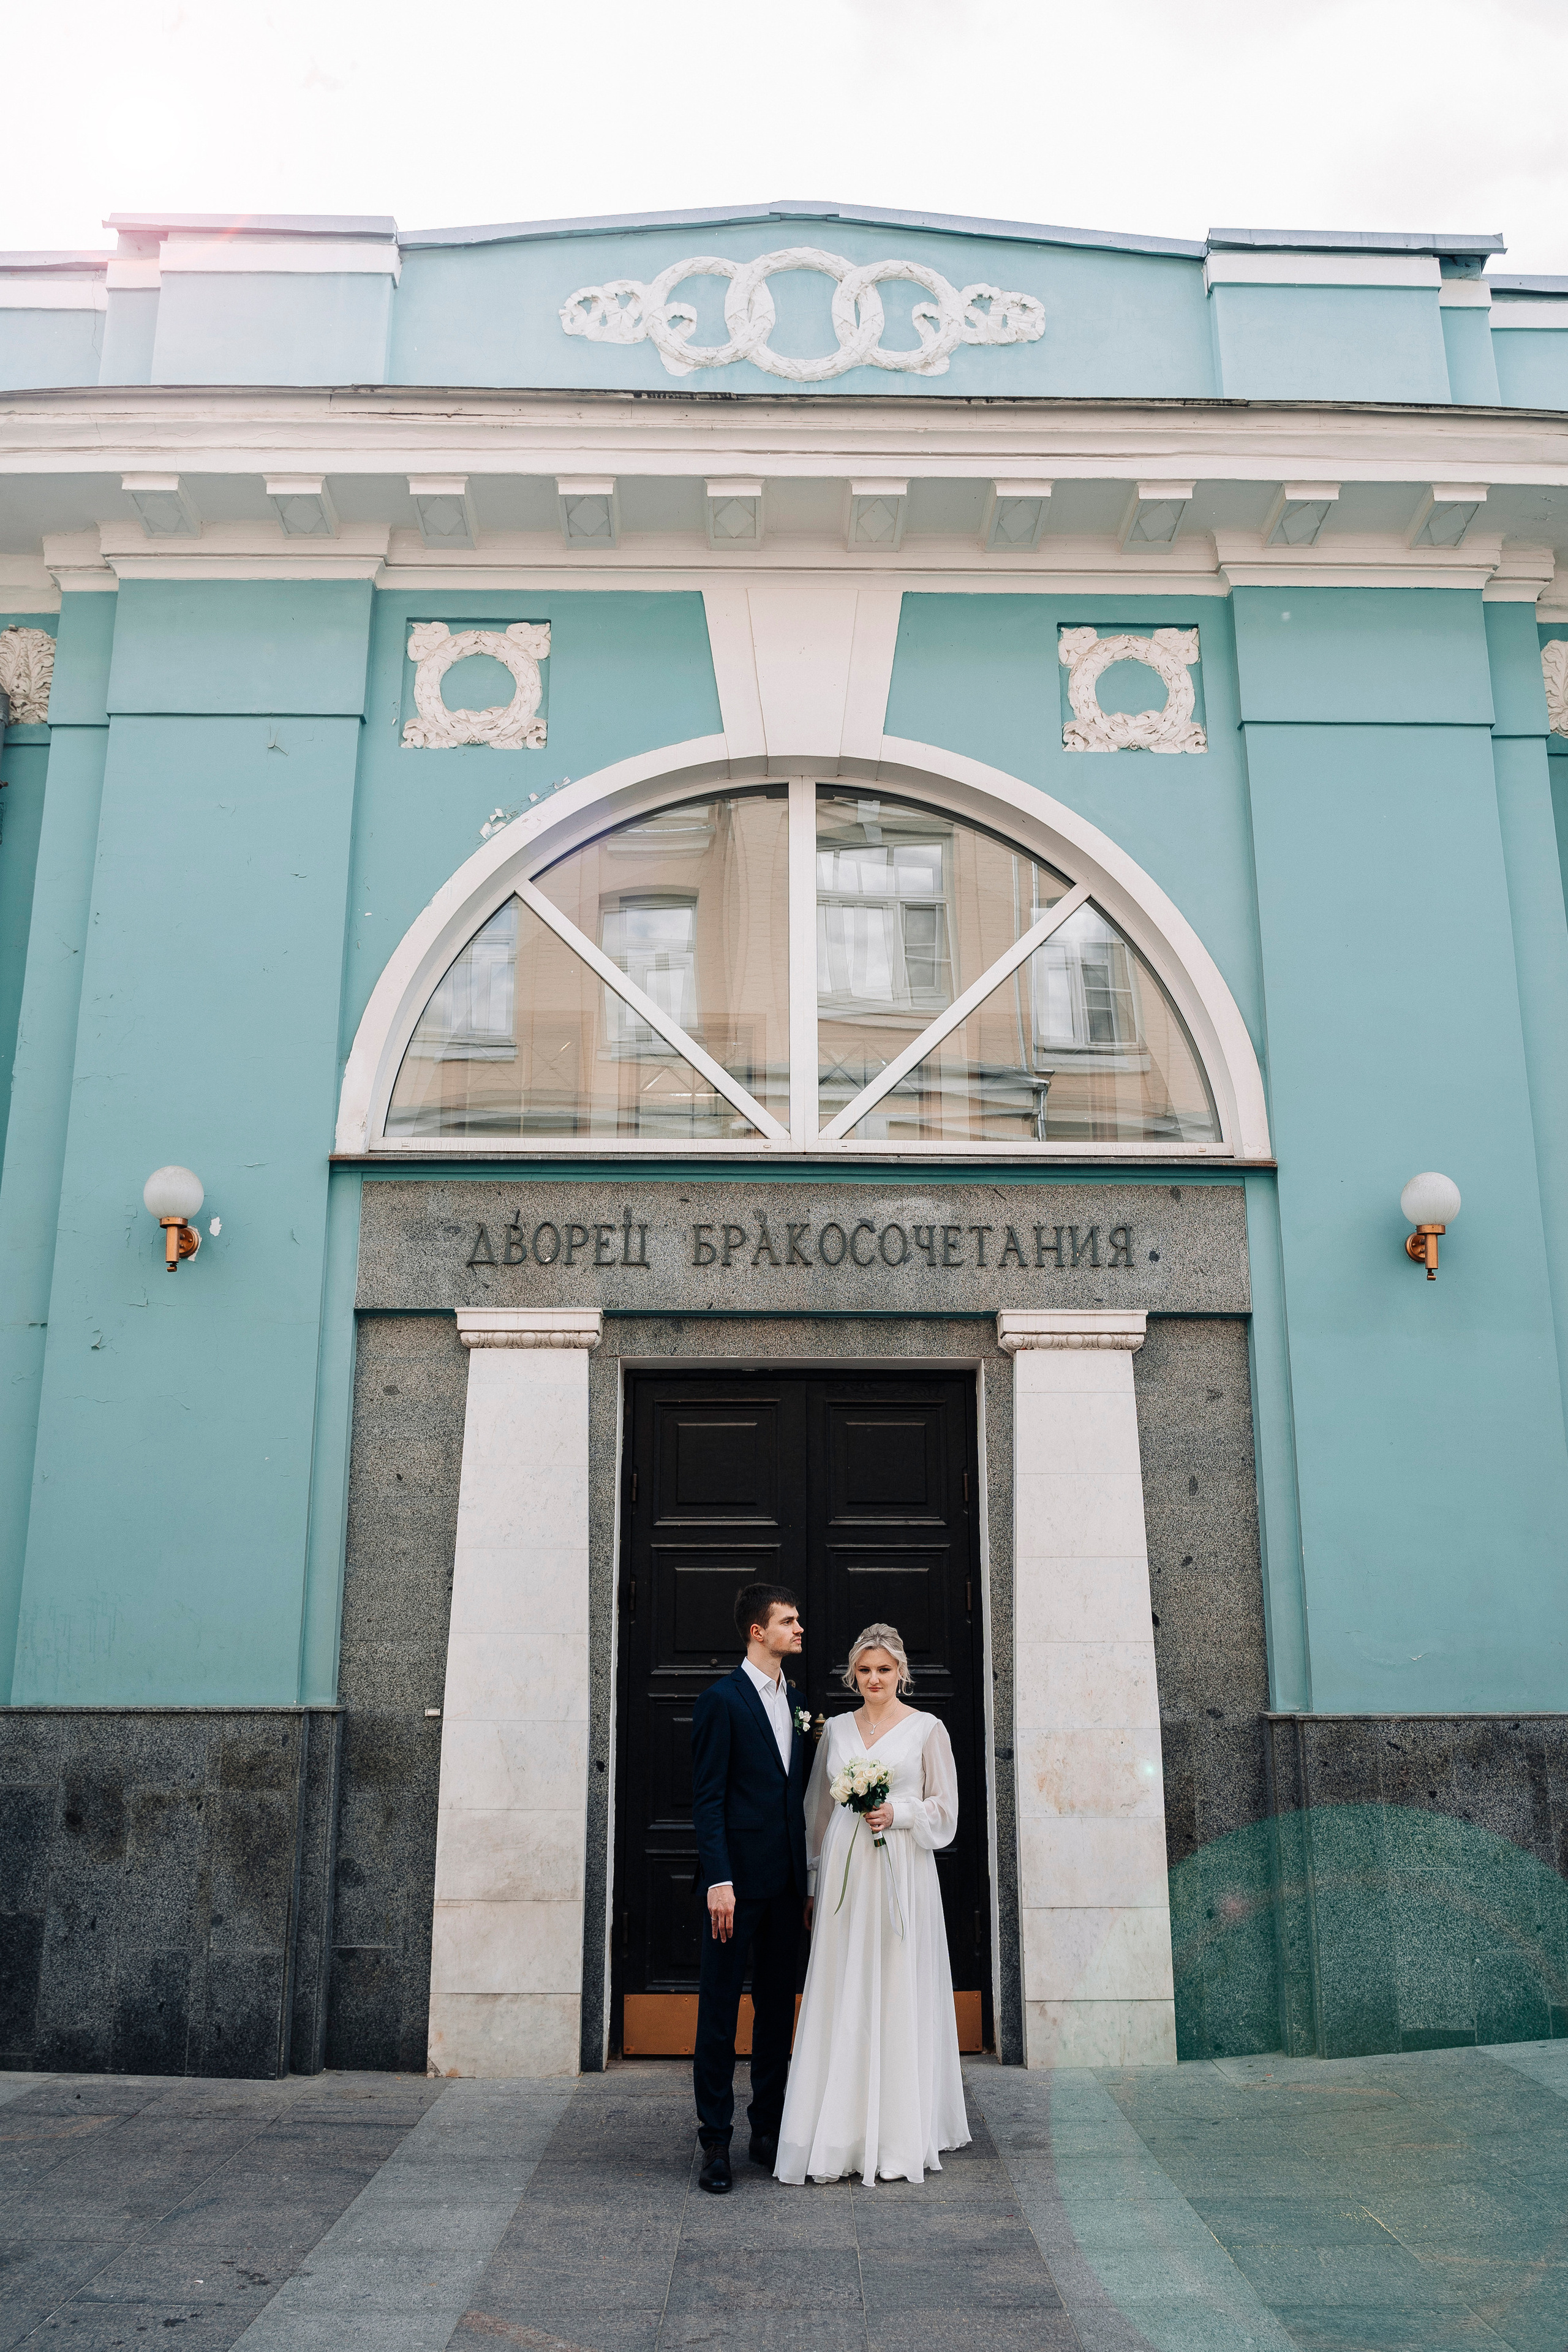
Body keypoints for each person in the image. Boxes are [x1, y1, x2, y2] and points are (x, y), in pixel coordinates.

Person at [775, 1621, 970, 2186]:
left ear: (901, 1673)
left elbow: (947, 1809)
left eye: (884, 1670)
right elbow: (817, 1811)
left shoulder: (928, 1729)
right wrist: (813, 1884)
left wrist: (901, 1814)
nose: (874, 1679)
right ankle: (839, 2124)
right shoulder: (835, 1730)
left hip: (902, 1871)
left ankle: (900, 2128)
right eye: (864, 1670)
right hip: (844, 1872)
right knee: (846, 1982)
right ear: (852, 1674)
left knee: (895, 1979)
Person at [688, 1581, 810, 2196]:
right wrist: (718, 1879)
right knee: (717, 2013)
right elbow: (706, 1800)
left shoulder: (799, 1701)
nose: (799, 1629)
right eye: (788, 1621)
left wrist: (809, 1877)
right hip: (734, 1889)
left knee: (773, 2014)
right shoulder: (722, 1700)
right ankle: (715, 2139)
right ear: (758, 1632)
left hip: (788, 1885)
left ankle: (767, 2129)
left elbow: (802, 1797)